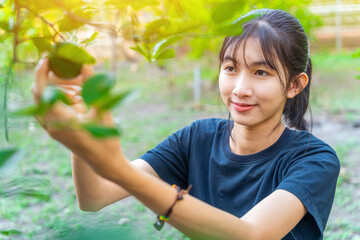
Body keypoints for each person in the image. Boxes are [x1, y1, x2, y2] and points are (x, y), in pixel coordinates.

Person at [31, 9, 340, 240]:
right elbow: (94, 198)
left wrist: (118, 169)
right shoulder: (198, 138)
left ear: (295, 85)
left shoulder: (314, 160)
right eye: (231, 68)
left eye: (261, 73)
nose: (240, 88)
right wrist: (80, 136)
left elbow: (250, 235)